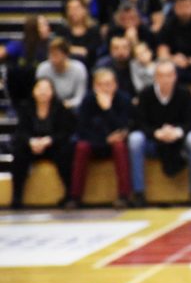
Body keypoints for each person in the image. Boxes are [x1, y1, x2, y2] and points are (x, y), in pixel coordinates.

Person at [128, 59, 191, 207]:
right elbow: (139, 123)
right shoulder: (145, 94)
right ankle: (138, 193)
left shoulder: (185, 93)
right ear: (155, 77)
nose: (165, 79)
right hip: (153, 140)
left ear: (175, 76)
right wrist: (156, 133)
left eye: (169, 75)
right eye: (161, 75)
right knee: (135, 139)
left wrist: (177, 131)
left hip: (179, 139)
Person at [66, 68, 132, 209]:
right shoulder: (88, 100)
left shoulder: (124, 99)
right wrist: (104, 139)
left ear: (115, 85)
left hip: (114, 143)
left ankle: (124, 196)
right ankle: (75, 196)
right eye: (101, 85)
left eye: (108, 84)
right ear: (95, 86)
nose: (105, 88)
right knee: (81, 146)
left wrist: (107, 109)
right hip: (95, 142)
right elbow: (82, 129)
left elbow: (123, 127)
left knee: (120, 146)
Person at [10, 78, 74, 209]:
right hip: (32, 145)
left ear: (52, 92)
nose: (43, 92)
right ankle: (17, 197)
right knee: (19, 153)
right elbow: (21, 131)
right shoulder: (26, 107)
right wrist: (31, 141)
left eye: (46, 89)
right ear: (34, 91)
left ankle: (69, 195)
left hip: (53, 145)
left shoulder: (60, 108)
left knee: (65, 152)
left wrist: (49, 140)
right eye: (40, 89)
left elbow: (65, 132)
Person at [36, 37, 88, 111]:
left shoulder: (79, 69)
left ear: (66, 55)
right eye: (50, 54)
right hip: (48, 106)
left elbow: (80, 97)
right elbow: (38, 92)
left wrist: (65, 105)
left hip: (70, 107)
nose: (52, 58)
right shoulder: (43, 68)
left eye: (56, 55)